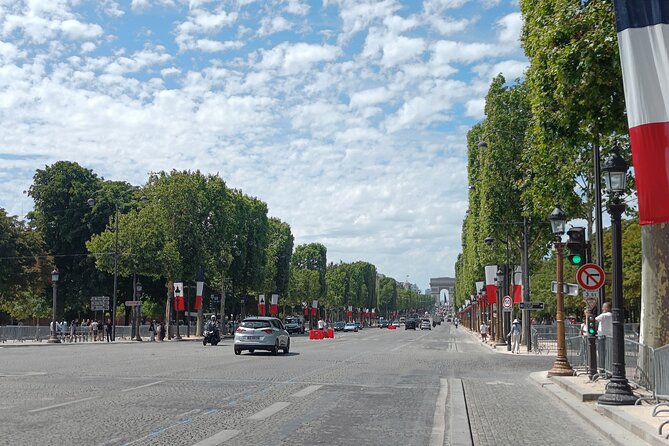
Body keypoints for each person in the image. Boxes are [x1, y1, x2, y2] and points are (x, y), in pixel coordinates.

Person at [596, 302, 612, 373]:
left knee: (601, 354)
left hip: (602, 336)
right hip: (610, 337)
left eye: (603, 307)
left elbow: (593, 320)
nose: (602, 308)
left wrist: (587, 314)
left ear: (607, 308)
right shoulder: (612, 315)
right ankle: (608, 369)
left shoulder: (603, 315)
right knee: (608, 354)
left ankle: (602, 369)